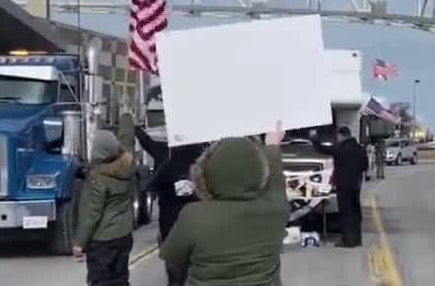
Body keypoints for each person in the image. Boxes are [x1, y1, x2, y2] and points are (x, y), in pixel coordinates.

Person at [160, 123, 289, 284]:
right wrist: (272, 144)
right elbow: (276, 180)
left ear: (206, 172)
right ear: (259, 171)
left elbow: (173, 259)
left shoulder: (193, 216)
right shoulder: (274, 210)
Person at [136, 126, 205, 286]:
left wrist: (136, 129)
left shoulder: (166, 160)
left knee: (175, 275)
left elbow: (149, 187)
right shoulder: (204, 163)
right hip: (198, 227)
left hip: (170, 227)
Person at [73, 129, 135, 286]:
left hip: (103, 240)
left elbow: (91, 214)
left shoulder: (98, 180)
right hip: (124, 235)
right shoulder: (127, 169)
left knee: (101, 280)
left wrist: (80, 243)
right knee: (120, 278)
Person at [312, 126, 370, 247]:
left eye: (338, 136)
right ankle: (357, 239)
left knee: (346, 213)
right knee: (355, 212)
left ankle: (347, 240)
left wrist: (314, 139)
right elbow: (365, 166)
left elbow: (323, 149)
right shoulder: (360, 149)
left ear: (341, 135)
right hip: (356, 184)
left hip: (343, 185)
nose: (337, 139)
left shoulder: (340, 148)